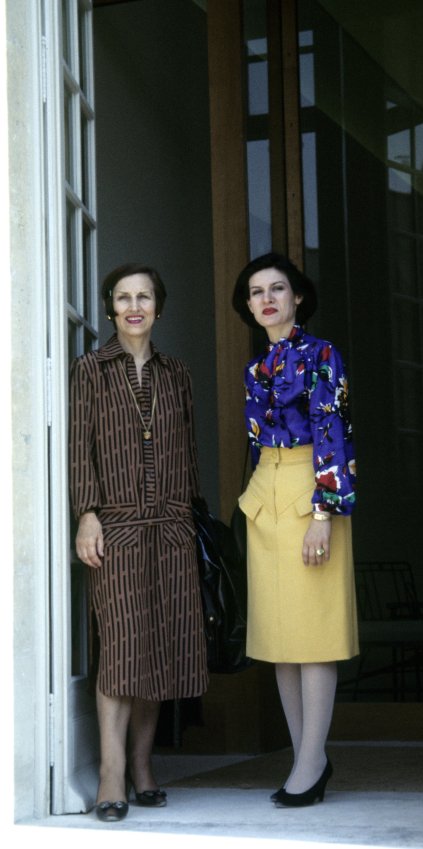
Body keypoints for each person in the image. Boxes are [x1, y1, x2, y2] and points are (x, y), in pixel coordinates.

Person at [69, 263, 208, 822]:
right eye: (123, 298)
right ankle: (109, 772)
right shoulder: (91, 371)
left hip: (172, 528)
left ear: (158, 307)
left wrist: (191, 520)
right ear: (110, 309)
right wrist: (87, 515)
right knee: (122, 650)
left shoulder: (178, 374)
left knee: (161, 649)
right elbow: (80, 447)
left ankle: (143, 764)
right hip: (118, 528)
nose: (134, 306)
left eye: (144, 297)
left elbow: (190, 455)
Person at [232, 252, 359, 808]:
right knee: (281, 641)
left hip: (313, 490)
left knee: (314, 636)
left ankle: (312, 762)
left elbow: (334, 429)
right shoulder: (254, 368)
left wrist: (323, 514)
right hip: (267, 494)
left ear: (297, 297)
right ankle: (303, 755)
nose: (266, 299)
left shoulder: (323, 354)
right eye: (256, 291)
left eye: (277, 288)